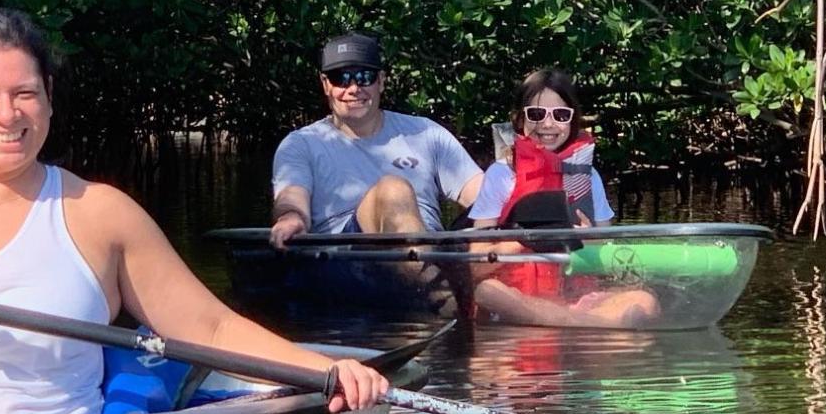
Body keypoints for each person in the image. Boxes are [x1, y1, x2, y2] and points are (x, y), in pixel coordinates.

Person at [0, 8, 387, 414]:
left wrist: (325, 372)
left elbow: (210, 328)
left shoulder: (100, 215)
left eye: (26, 94)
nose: (7, 116)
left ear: (48, 99)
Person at [468, 68, 660, 328]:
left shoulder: (587, 177)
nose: (548, 124)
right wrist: (529, 240)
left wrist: (585, 239)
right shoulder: (500, 175)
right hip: (515, 297)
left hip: (577, 300)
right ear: (518, 120)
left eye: (560, 115)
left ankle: (569, 321)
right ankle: (583, 325)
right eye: (536, 115)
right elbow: (474, 265)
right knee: (489, 291)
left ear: (573, 121)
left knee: (644, 301)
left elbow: (607, 259)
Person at [269, 31, 483, 246]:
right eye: (341, 79)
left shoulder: (427, 132)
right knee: (393, 190)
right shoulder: (300, 144)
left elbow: (484, 193)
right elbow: (292, 198)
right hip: (346, 260)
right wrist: (291, 218)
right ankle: (434, 277)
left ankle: (439, 273)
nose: (353, 89)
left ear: (380, 81)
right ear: (326, 84)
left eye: (364, 77)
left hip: (434, 249)